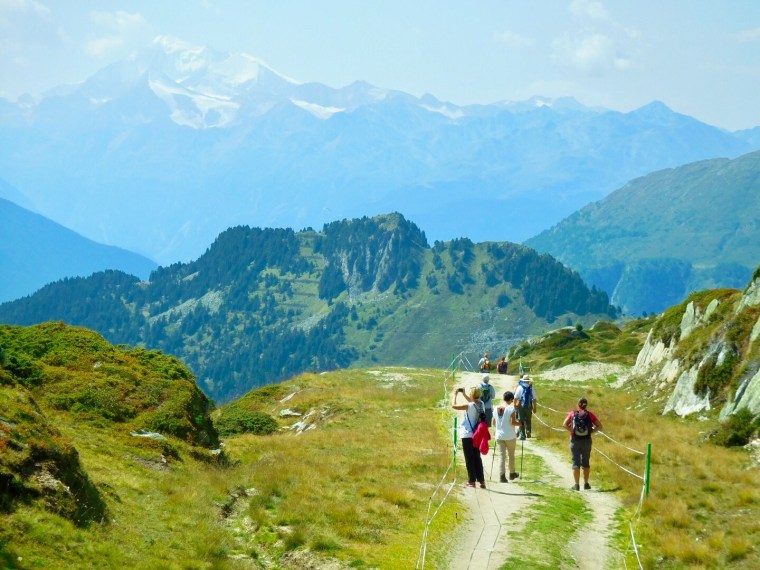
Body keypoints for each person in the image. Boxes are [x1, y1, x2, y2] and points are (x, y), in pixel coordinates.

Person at [562, 397, 603, 490]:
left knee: (576, 462)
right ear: (586, 405)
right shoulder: (590, 415)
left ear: (578, 404)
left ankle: (576, 485)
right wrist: (591, 432)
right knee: (586, 462)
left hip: (575, 440)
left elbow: (564, 424)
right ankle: (586, 483)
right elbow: (600, 426)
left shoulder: (573, 413)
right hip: (587, 440)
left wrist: (571, 430)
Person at [452, 385, 486, 488]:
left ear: (472, 394)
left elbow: (454, 406)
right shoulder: (481, 404)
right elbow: (473, 402)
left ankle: (471, 480)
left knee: (469, 458)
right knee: (477, 457)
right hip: (477, 434)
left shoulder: (469, 405)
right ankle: (482, 480)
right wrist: (464, 393)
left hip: (467, 434)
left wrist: (455, 395)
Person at [493, 391, 521, 482]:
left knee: (502, 456)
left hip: (499, 435)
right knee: (511, 455)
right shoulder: (510, 408)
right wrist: (521, 424)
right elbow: (513, 422)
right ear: (510, 399)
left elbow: (493, 422)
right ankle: (512, 473)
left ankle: (502, 476)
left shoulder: (495, 408)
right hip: (509, 435)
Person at [514, 375, 537, 439]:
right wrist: (534, 407)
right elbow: (534, 399)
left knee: (521, 420)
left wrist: (515, 406)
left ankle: (523, 435)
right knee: (528, 420)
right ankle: (528, 430)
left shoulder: (520, 387)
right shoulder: (531, 388)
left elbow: (515, 397)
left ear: (523, 380)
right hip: (529, 406)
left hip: (521, 406)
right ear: (529, 381)